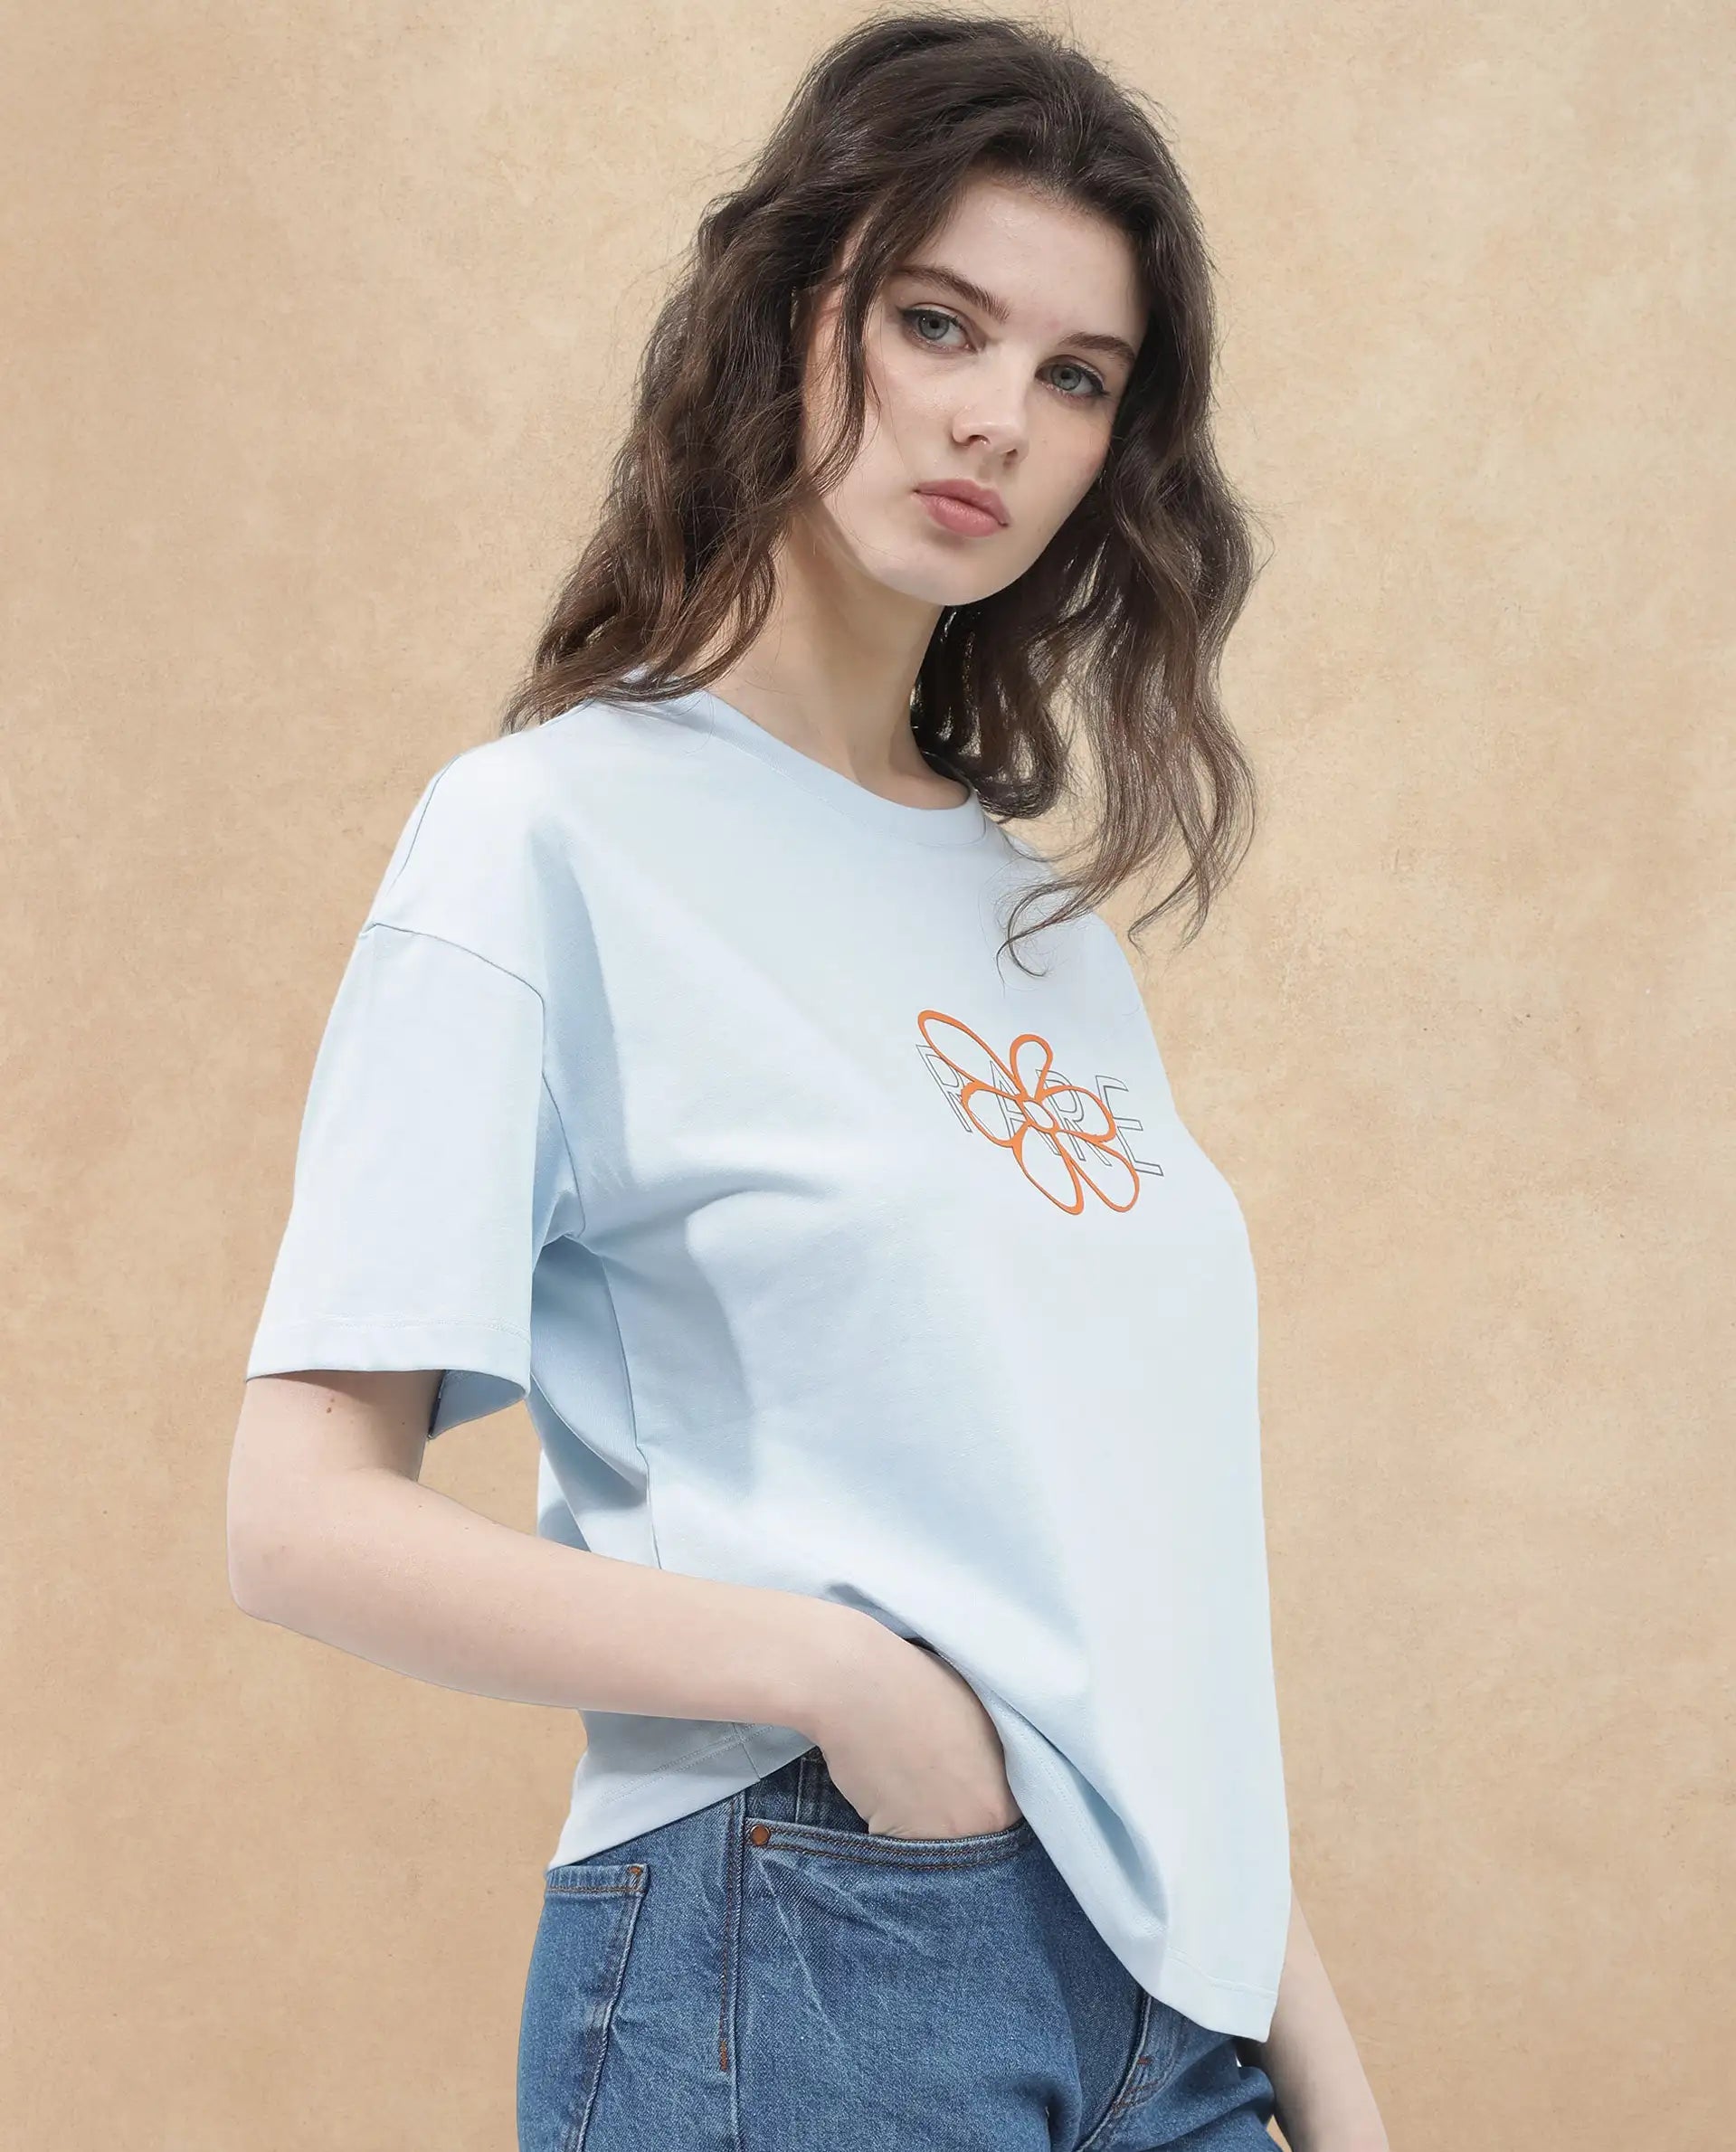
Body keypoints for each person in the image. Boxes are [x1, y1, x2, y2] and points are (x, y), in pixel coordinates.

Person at [227, 14, 1389, 2150]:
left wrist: (1326, 2078)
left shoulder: (1042, 926)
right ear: (793, 317)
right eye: (940, 323)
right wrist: (836, 1673)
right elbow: (297, 1521)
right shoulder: (550, 835)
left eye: (1077, 375)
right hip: (815, 1934)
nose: (997, 416)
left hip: (1171, 1996)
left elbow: (1118, 1594)